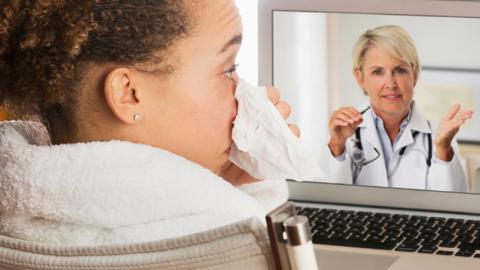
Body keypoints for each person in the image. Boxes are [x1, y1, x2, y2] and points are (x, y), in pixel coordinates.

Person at [0, 0, 298, 245]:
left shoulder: (16, 211)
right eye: (228, 69)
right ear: (128, 94)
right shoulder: (222, 240)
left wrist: (220, 183)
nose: (245, 93)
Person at [323, 25, 473, 192]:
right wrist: (337, 146)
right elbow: (328, 204)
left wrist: (443, 149)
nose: (391, 84)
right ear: (361, 79)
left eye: (400, 70)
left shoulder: (440, 138)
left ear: (414, 76)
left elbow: (453, 210)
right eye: (378, 72)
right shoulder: (343, 134)